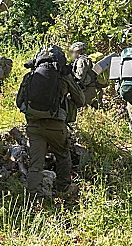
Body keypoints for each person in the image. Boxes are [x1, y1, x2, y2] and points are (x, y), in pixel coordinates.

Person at [16, 45, 85, 197]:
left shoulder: (31, 74)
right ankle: (63, 189)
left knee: (36, 163)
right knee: (62, 156)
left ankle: (34, 196)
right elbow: (80, 100)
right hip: (56, 125)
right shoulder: (63, 76)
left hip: (34, 125)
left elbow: (18, 101)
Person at [69, 41, 99, 107]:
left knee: (85, 108)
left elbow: (80, 76)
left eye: (73, 52)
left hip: (87, 89)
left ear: (77, 51)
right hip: (90, 88)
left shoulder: (81, 60)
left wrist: (71, 74)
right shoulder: (85, 59)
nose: (72, 54)